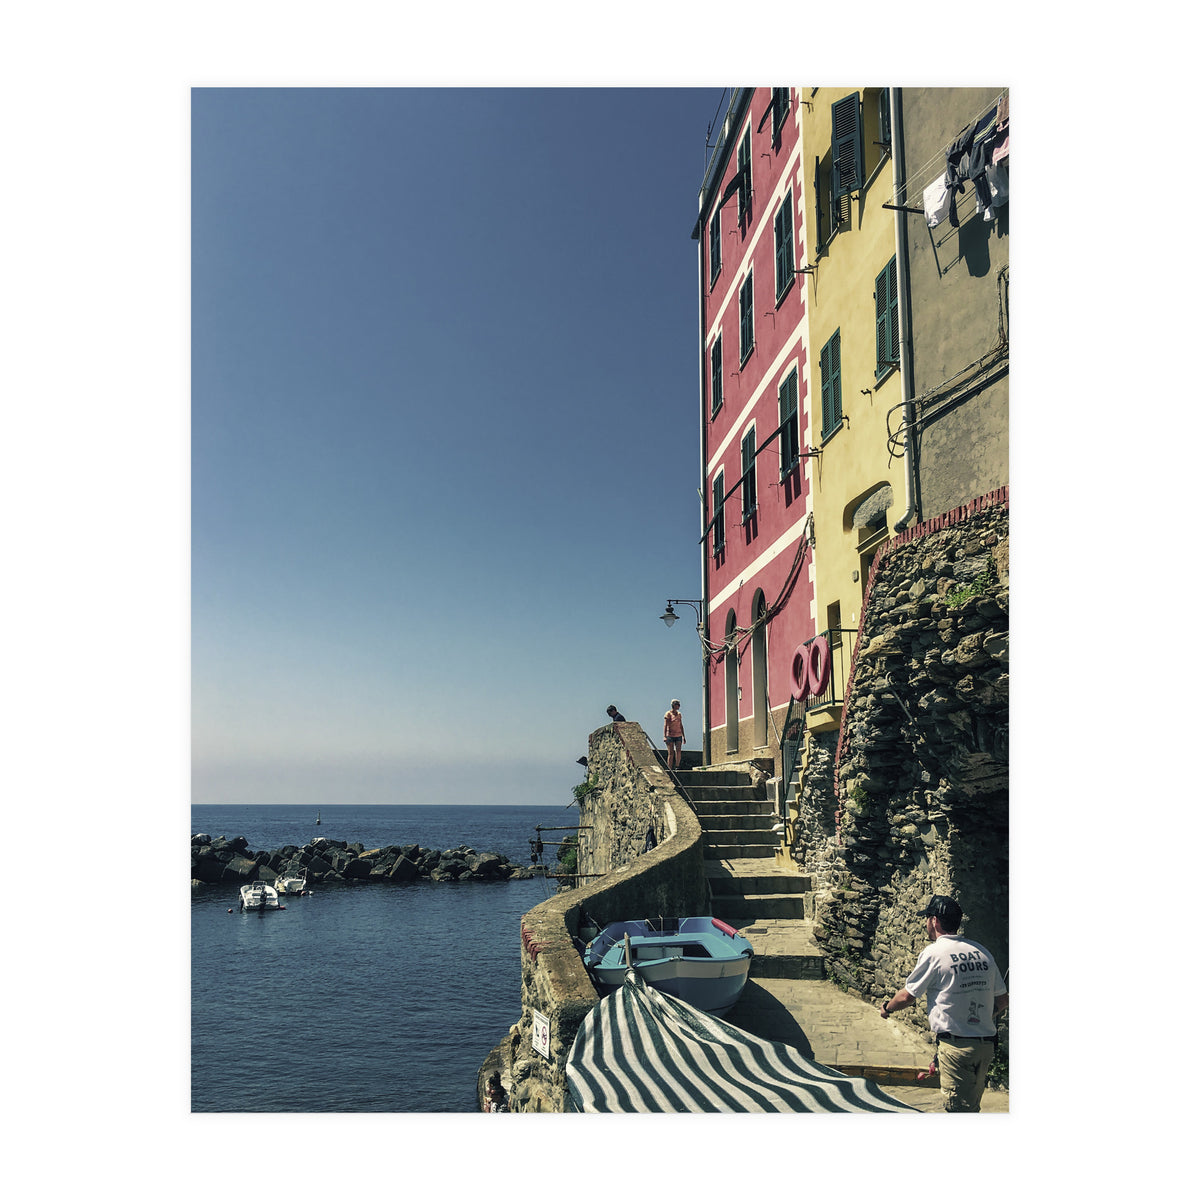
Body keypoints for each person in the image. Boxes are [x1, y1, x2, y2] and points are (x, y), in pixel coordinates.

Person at [879, 894, 1008, 1113]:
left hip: (957, 1048)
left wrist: (887, 1008)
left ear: (934, 921)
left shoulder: (934, 953)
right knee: (971, 1107)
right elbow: (1003, 1000)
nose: (926, 923)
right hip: (985, 1047)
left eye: (927, 918)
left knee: (958, 1110)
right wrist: (980, 1019)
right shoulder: (981, 951)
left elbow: (907, 996)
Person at [663, 699, 685, 768]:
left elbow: (681, 725)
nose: (678, 706)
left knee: (678, 751)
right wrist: (664, 736)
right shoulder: (668, 714)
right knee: (671, 753)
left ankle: (677, 766)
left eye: (678, 704)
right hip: (670, 735)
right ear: (673, 705)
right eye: (676, 704)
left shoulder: (679, 714)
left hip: (678, 735)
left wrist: (684, 736)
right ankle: (669, 768)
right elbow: (665, 725)